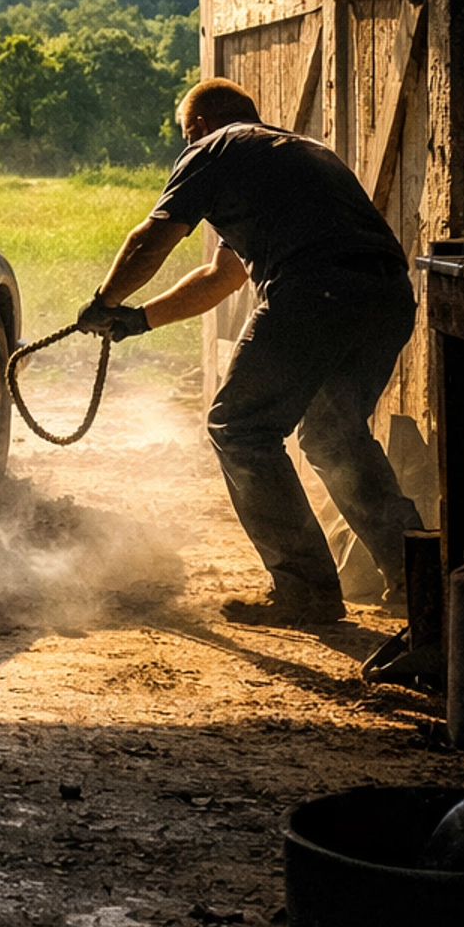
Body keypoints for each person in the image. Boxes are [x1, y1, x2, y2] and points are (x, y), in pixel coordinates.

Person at [77, 76, 425, 629]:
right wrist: (140, 319)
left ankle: (305, 589)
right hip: (386, 297)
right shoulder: (291, 153)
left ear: (197, 127)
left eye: (185, 137)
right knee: (333, 434)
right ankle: (418, 578)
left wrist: (104, 301)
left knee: (239, 428)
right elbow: (223, 276)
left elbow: (152, 238)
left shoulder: (214, 148)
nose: (186, 147)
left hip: (314, 292)